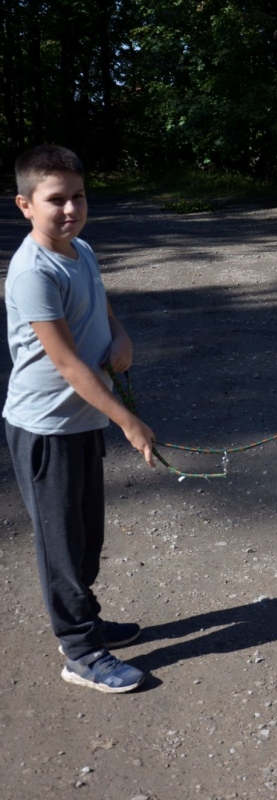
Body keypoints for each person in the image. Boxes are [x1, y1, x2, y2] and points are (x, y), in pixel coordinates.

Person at [4, 145, 156, 693]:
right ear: (25, 205)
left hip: (81, 421)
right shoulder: (31, 273)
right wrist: (129, 422)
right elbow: (66, 363)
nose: (70, 208)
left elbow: (102, 305)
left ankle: (85, 620)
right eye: (55, 200)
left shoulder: (81, 249)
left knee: (88, 536)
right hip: (46, 428)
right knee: (62, 543)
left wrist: (120, 335)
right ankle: (80, 651)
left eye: (78, 196)